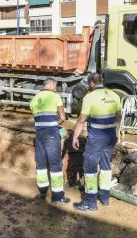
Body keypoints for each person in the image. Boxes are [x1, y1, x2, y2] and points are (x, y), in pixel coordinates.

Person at [72, 73, 122, 212]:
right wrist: (116, 134)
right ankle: (105, 197)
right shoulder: (115, 95)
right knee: (106, 166)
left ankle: (90, 202)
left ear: (91, 84)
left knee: (89, 169)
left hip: (96, 139)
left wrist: (75, 137)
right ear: (101, 82)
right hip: (110, 137)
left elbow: (82, 120)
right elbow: (118, 118)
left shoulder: (89, 97)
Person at [29, 78, 70, 205]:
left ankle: (42, 191)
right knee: (55, 164)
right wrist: (55, 124)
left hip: (39, 133)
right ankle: (57, 196)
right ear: (51, 85)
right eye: (56, 86)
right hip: (51, 134)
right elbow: (63, 117)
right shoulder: (55, 96)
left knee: (41, 163)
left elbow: (37, 118)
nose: (56, 88)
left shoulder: (34, 99)